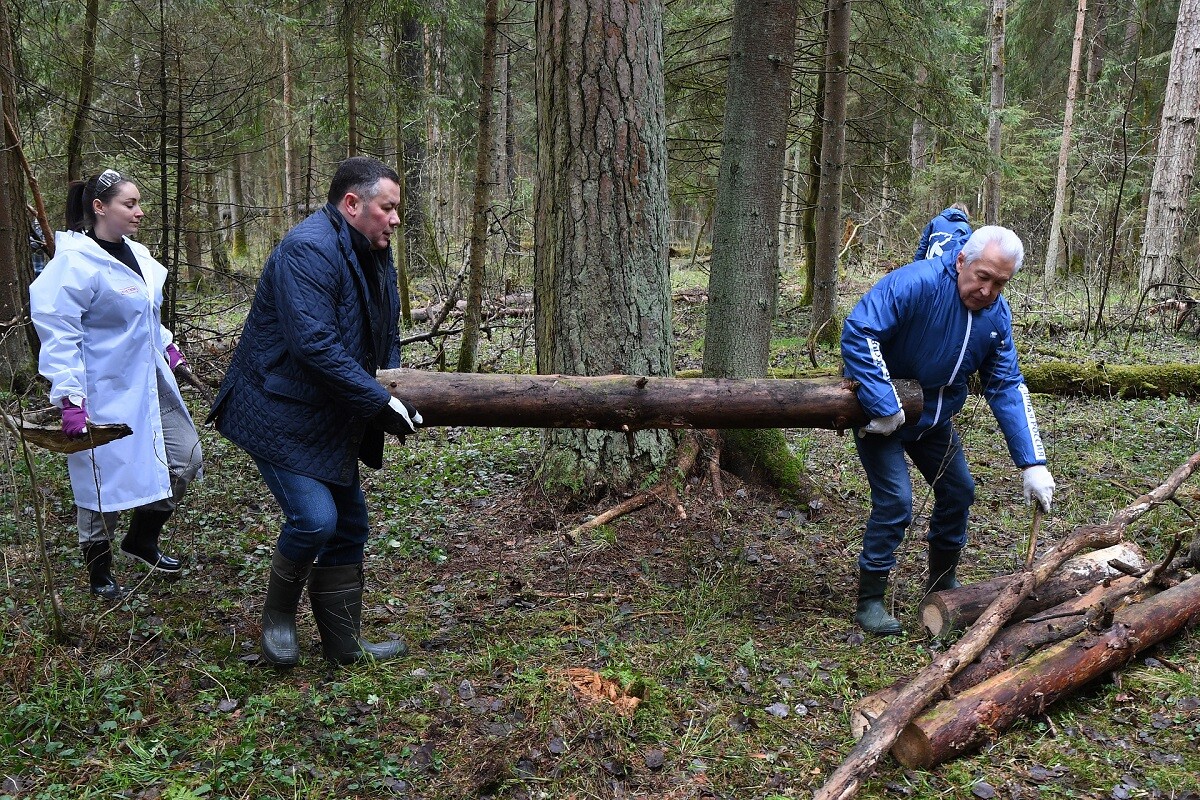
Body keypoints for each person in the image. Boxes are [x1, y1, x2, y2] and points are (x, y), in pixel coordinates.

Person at [209, 156, 421, 667]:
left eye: (397, 210)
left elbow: (383, 329)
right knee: (315, 519)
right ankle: (277, 621)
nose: (395, 219)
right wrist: (380, 402)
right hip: (276, 410)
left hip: (326, 413)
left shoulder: (373, 250)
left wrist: (392, 384)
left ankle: (344, 646)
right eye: (387, 208)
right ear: (352, 204)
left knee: (349, 525)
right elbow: (315, 346)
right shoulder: (307, 250)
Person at [841, 225, 1055, 635]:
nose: (988, 291)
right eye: (983, 277)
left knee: (959, 491)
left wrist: (1032, 463)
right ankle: (870, 598)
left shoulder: (996, 317)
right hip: (881, 418)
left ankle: (941, 582)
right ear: (962, 262)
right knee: (896, 503)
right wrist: (884, 404)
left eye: (1000, 283)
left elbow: (1006, 384)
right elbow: (860, 330)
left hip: (934, 421)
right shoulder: (915, 283)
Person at [29, 169, 203, 600]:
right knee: (100, 482)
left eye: (139, 203)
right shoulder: (74, 262)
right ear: (99, 208)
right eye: (130, 204)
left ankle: (142, 539)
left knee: (186, 457)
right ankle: (100, 573)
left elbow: (144, 317)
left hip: (148, 382)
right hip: (102, 387)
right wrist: (70, 397)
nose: (139, 212)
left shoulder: (137, 256)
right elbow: (59, 330)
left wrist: (166, 344)